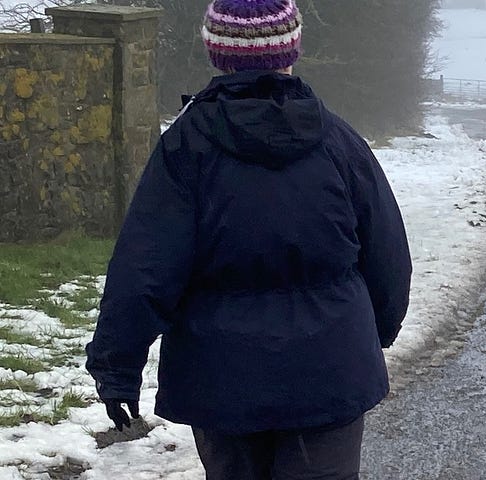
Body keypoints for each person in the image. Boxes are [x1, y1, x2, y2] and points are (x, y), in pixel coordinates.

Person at [85, 0, 412, 478]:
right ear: (290, 50)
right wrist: (371, 332)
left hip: (222, 382)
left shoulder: (184, 147)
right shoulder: (340, 143)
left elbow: (145, 267)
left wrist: (117, 367)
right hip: (328, 370)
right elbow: (388, 256)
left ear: (216, 53)